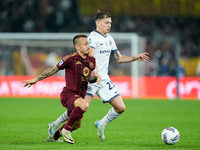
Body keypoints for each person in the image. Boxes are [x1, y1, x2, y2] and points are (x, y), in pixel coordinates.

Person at [48, 12, 149, 142]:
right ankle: (55, 127)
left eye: (110, 23)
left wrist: (136, 57)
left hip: (104, 79)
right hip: (90, 80)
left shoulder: (110, 39)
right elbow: (90, 56)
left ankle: (101, 123)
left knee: (120, 107)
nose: (109, 25)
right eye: (107, 23)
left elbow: (119, 58)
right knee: (78, 120)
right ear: (98, 23)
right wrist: (93, 72)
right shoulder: (93, 37)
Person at [23, 34, 101, 144]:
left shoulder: (92, 60)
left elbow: (89, 79)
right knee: (84, 105)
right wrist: (36, 79)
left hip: (80, 95)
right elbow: (53, 70)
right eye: (85, 44)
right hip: (68, 94)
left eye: (89, 43)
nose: (89, 46)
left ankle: (53, 136)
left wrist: (95, 78)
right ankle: (66, 130)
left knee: (77, 125)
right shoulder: (69, 59)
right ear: (77, 47)